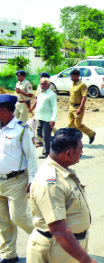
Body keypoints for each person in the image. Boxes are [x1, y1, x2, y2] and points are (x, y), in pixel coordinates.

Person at [27, 128, 97, 263]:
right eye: (80, 149)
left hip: (65, 248)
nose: (82, 152)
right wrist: (86, 259)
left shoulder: (61, 170)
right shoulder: (50, 183)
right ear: (68, 153)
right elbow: (59, 230)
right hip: (55, 250)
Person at [0, 95, 38, 263]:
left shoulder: (22, 129)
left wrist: (33, 181)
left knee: (18, 217)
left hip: (16, 181)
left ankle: (48, 239)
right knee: (3, 220)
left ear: (4, 111)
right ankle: (9, 253)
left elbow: (31, 157)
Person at [30, 78, 58, 159]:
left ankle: (46, 152)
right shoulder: (40, 93)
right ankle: (54, 140)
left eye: (44, 84)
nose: (41, 86)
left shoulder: (51, 94)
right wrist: (35, 116)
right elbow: (38, 106)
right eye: (41, 84)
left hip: (48, 119)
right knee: (39, 133)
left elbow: (54, 108)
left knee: (46, 135)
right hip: (40, 117)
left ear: (48, 85)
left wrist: (53, 119)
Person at [68, 69, 96, 144]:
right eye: (71, 76)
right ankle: (71, 141)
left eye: (73, 76)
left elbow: (84, 97)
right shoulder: (72, 84)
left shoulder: (82, 85)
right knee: (70, 125)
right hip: (71, 107)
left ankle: (91, 133)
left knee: (78, 125)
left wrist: (80, 108)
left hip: (78, 107)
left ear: (78, 76)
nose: (71, 78)